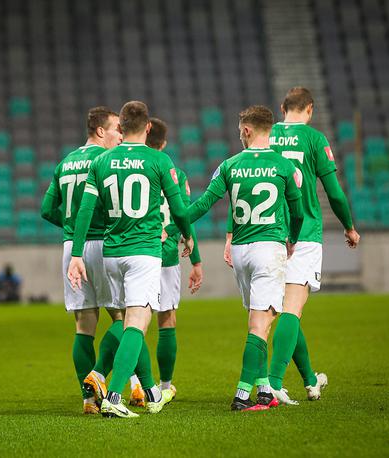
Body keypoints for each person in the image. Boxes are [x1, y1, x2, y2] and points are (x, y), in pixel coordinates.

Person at [224, 88, 360, 405]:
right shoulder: (314, 139)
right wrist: (349, 227)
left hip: (264, 233)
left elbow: (237, 189)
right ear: (309, 110)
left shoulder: (265, 136)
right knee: (292, 311)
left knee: (284, 311)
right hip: (302, 233)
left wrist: (230, 234)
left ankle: (310, 379)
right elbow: (335, 194)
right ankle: (272, 383)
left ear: (283, 108)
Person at [164, 105, 304, 410]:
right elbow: (298, 213)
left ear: (248, 130)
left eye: (241, 128)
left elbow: (201, 205)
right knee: (260, 324)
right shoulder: (283, 167)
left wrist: (173, 227)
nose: (239, 133)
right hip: (269, 249)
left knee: (259, 320)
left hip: (241, 251)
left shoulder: (229, 165)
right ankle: (242, 395)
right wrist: (292, 240)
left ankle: (264, 388)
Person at [68, 100, 194, 418]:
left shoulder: (102, 161)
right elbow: (178, 207)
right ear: (148, 127)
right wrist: (188, 234)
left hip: (111, 253)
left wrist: (77, 253)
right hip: (143, 252)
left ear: (121, 129)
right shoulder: (159, 159)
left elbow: (85, 210)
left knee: (123, 321)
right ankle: (113, 395)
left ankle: (143, 388)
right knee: (137, 322)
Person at [40, 106, 123, 414]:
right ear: (100, 131)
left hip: (72, 249)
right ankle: (99, 376)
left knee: (83, 326)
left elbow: (47, 210)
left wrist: (74, 229)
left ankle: (88, 399)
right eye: (116, 128)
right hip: (105, 244)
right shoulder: (107, 161)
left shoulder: (65, 163)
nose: (120, 134)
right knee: (126, 319)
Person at [128, 117, 203, 407]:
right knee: (166, 319)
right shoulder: (175, 172)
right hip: (168, 255)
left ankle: (136, 384)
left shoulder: (133, 166)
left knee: (134, 320)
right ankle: (165, 385)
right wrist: (195, 258)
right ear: (164, 142)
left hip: (135, 250)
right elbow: (182, 213)